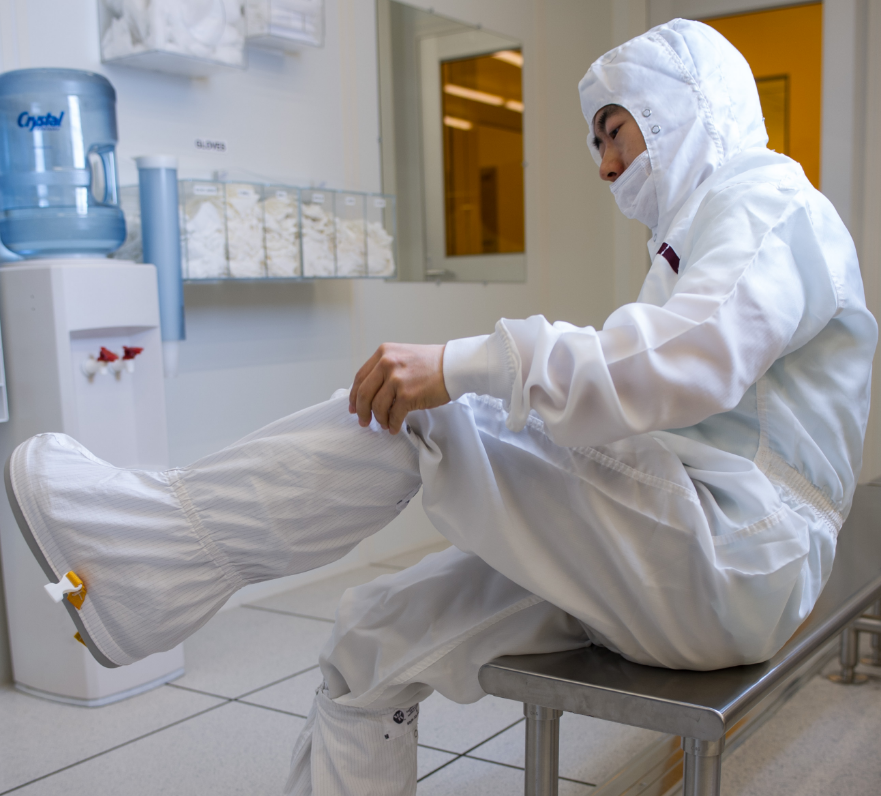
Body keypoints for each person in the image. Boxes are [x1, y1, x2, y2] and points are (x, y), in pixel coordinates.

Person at [4, 18, 876, 796]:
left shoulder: (768, 201)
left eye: (615, 131)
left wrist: (468, 366)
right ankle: (152, 568)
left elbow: (681, 363)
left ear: (687, 106)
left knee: (425, 409)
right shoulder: (693, 241)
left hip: (738, 554)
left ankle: (155, 550)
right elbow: (646, 379)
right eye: (595, 144)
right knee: (369, 642)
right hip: (681, 551)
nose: (606, 165)